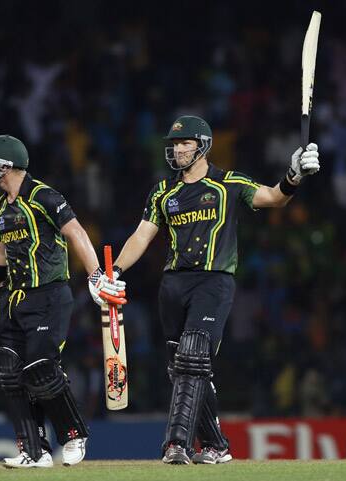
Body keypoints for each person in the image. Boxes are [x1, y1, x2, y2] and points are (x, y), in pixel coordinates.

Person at [112, 116, 320, 465]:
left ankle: (176, 444)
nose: (177, 149)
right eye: (175, 144)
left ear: (203, 146)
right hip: (173, 285)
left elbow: (272, 198)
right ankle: (217, 446)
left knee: (193, 357)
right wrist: (115, 269)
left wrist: (294, 176)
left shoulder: (229, 183)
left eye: (185, 143)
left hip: (213, 281)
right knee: (184, 368)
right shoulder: (164, 191)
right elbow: (142, 235)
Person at [0, 135, 125, 468]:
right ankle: (33, 450)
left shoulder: (43, 196)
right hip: (15, 299)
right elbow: (1, 249)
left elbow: (76, 233)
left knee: (40, 368)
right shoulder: (1, 207)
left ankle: (73, 434)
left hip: (50, 296)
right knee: (11, 374)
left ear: (4, 165)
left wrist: (95, 276)